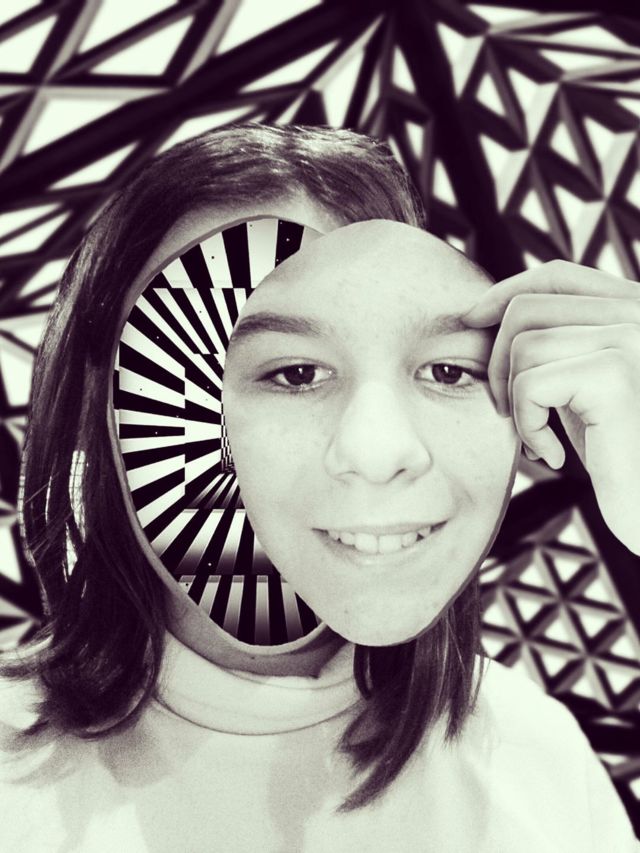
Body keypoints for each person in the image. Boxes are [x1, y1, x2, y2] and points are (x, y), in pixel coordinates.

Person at [0, 123, 637, 851]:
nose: (379, 452)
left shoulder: (536, 758)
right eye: (294, 373)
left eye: (443, 369)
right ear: (106, 405)